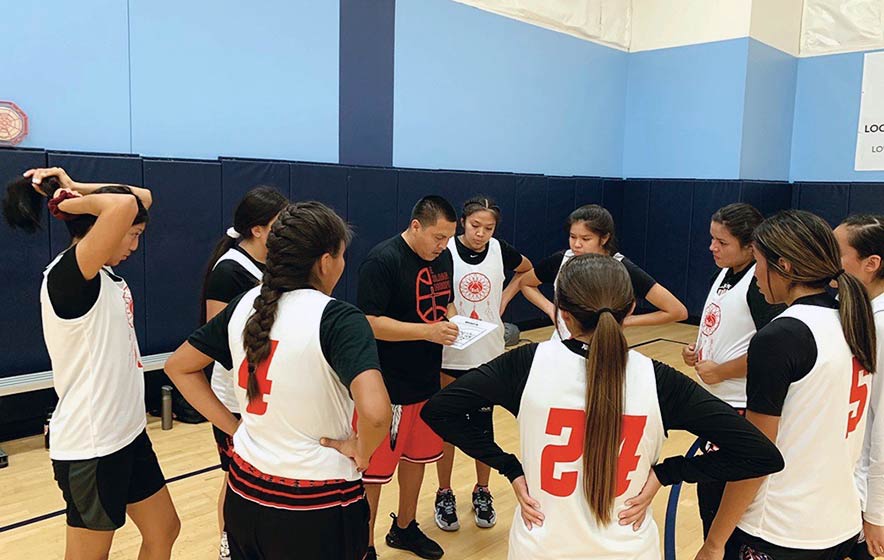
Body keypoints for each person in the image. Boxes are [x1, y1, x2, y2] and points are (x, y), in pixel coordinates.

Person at [422, 254, 783, 560]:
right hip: (629, 549)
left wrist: (509, 467)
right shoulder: (659, 380)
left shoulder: (525, 364)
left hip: (540, 546)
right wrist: (668, 473)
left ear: (561, 311)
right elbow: (761, 454)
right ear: (629, 309)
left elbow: (438, 410)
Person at [164, 201, 391, 560]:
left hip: (244, 492)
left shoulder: (243, 303)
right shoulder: (339, 318)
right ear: (325, 261)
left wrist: (235, 428)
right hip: (316, 505)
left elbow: (179, 367)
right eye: (342, 255)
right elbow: (377, 413)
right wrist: (363, 450)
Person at [2, 167, 180, 559]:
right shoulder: (69, 276)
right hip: (93, 445)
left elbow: (142, 197)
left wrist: (72, 186)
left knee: (164, 529)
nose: (135, 245)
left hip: (128, 433)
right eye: (132, 235)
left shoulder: (102, 272)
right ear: (107, 225)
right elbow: (125, 204)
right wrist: (69, 201)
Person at [696, 210, 877, 560]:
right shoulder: (852, 319)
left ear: (786, 266)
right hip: (837, 523)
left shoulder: (783, 335)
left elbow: (757, 455)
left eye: (760, 263)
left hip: (779, 529)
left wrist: (715, 541)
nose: (757, 276)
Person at [357, 195, 458, 560]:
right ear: (416, 226)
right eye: (437, 237)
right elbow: (369, 323)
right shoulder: (382, 260)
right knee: (375, 473)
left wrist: (453, 319)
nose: (442, 245)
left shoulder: (442, 257)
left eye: (448, 238)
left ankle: (404, 528)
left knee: (418, 459)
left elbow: (443, 303)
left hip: (427, 381)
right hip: (389, 386)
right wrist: (426, 332)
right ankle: (363, 544)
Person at [682, 203, 786, 535]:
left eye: (722, 242)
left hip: (741, 406)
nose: (712, 247)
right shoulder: (725, 273)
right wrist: (697, 350)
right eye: (712, 239)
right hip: (718, 401)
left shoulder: (758, 287)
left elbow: (771, 351)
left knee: (721, 498)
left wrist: (723, 370)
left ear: (751, 245)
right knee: (709, 496)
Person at [435, 195, 533, 532]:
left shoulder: (500, 250)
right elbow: (439, 293)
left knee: (482, 424)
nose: (481, 233)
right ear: (463, 222)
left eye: (488, 228)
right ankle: (444, 491)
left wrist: (505, 297)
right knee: (446, 425)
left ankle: (483, 490)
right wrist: (449, 316)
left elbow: (528, 271)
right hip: (451, 350)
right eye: (476, 226)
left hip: (488, 350)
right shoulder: (444, 249)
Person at [199, 186, 287, 559]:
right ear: (258, 229)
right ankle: (228, 544)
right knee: (237, 477)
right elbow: (219, 339)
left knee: (266, 474)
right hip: (234, 394)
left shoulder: (272, 265)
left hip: (265, 391)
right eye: (279, 223)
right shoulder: (229, 272)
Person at [521, 204, 687, 339]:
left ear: (604, 238)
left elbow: (677, 311)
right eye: (573, 237)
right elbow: (526, 283)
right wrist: (552, 310)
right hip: (562, 344)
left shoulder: (622, 268)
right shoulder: (561, 260)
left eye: (586, 239)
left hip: (604, 347)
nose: (577, 244)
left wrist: (626, 321)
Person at [834, 215, 884, 560]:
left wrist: (876, 512)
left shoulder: (879, 326)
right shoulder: (856, 313)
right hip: (842, 484)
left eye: (836, 253)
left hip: (862, 494)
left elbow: (881, 425)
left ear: (871, 264)